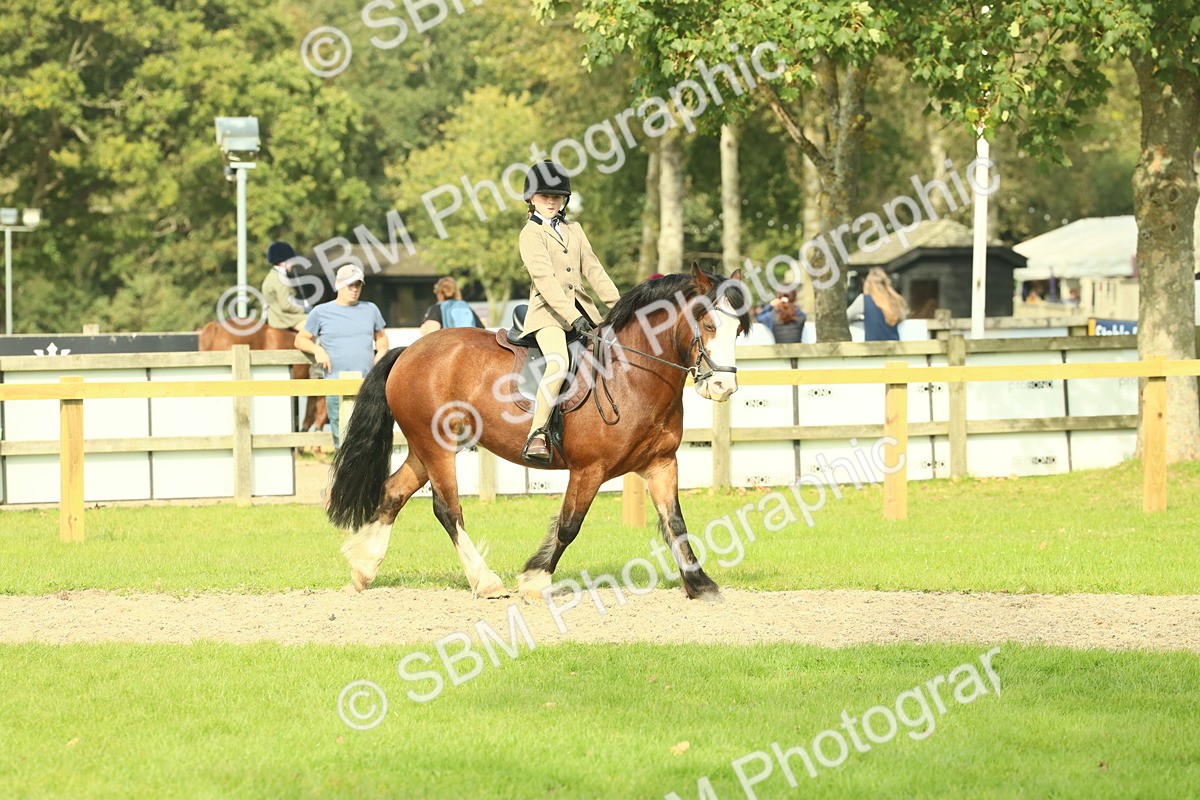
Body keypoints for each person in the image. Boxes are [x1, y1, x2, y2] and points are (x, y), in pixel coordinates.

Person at [519, 159, 621, 464]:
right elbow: (545, 281)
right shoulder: (530, 234)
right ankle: (537, 432)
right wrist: (571, 316)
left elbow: (593, 269)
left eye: (556, 197)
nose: (551, 202)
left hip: (584, 311)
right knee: (559, 362)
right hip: (548, 314)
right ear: (532, 198)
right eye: (545, 197)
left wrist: (620, 307)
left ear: (564, 199)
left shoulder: (574, 229)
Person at [294, 264, 388, 449]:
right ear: (339, 285)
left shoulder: (371, 309)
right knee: (341, 440)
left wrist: (382, 354)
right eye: (350, 285)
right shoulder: (321, 312)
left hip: (367, 384)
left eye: (358, 285)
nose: (354, 289)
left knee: (369, 438)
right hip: (335, 384)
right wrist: (317, 350)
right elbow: (300, 340)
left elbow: (382, 339)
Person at [846, 267, 908, 341]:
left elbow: (846, 316)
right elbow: (902, 318)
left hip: (872, 346)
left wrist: (858, 319)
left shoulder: (864, 299)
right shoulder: (895, 299)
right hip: (894, 345)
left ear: (868, 284)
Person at [261, 241, 310, 333]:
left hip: (277, 317)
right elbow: (286, 305)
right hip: (285, 319)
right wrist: (304, 309)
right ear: (284, 262)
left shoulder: (271, 276)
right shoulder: (280, 279)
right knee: (320, 324)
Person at [419, 276, 484, 335]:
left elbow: (431, 335)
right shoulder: (466, 307)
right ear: (456, 291)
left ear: (438, 292)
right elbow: (482, 330)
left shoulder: (437, 309)